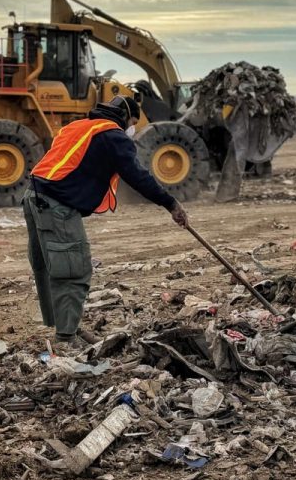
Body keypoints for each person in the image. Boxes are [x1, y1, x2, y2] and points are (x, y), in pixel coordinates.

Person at [22, 95, 188, 351]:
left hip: (33, 197)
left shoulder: (78, 127)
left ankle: (69, 326)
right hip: (55, 205)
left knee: (49, 266)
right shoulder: (112, 135)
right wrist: (171, 203)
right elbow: (138, 176)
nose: (132, 128)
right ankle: (65, 338)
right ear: (125, 116)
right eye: (133, 122)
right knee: (73, 269)